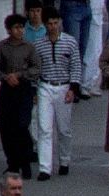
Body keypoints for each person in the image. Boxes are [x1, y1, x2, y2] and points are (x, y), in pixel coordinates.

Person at [32, 9, 82, 182]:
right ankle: (45, 167)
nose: (53, 27)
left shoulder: (70, 42)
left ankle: (64, 160)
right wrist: (35, 90)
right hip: (45, 86)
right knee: (44, 128)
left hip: (63, 86)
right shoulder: (39, 45)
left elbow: (75, 65)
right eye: (50, 24)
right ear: (45, 24)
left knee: (64, 129)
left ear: (60, 22)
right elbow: (36, 69)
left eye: (55, 23)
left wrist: (73, 88)